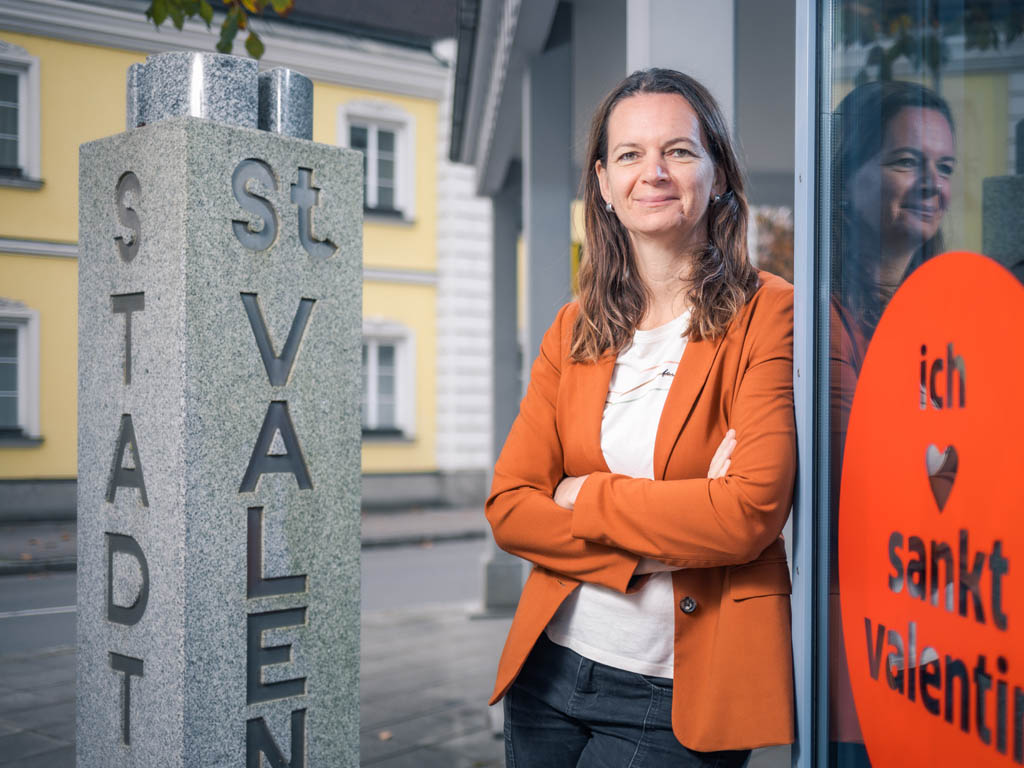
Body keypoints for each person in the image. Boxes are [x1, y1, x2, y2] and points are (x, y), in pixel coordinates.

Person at [485, 68, 797, 767]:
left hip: (674, 694)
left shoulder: (769, 312)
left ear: (718, 174)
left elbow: (747, 514)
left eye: (679, 152)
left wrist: (581, 494)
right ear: (602, 182)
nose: (652, 172)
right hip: (549, 671)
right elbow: (509, 508)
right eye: (629, 154)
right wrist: (677, 527)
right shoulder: (574, 328)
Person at [827, 80, 957, 766]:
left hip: (944, 629)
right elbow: (867, 474)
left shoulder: (942, 318)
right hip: (863, 644)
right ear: (848, 177)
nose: (932, 183)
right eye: (907, 161)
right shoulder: (823, 319)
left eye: (945, 166)